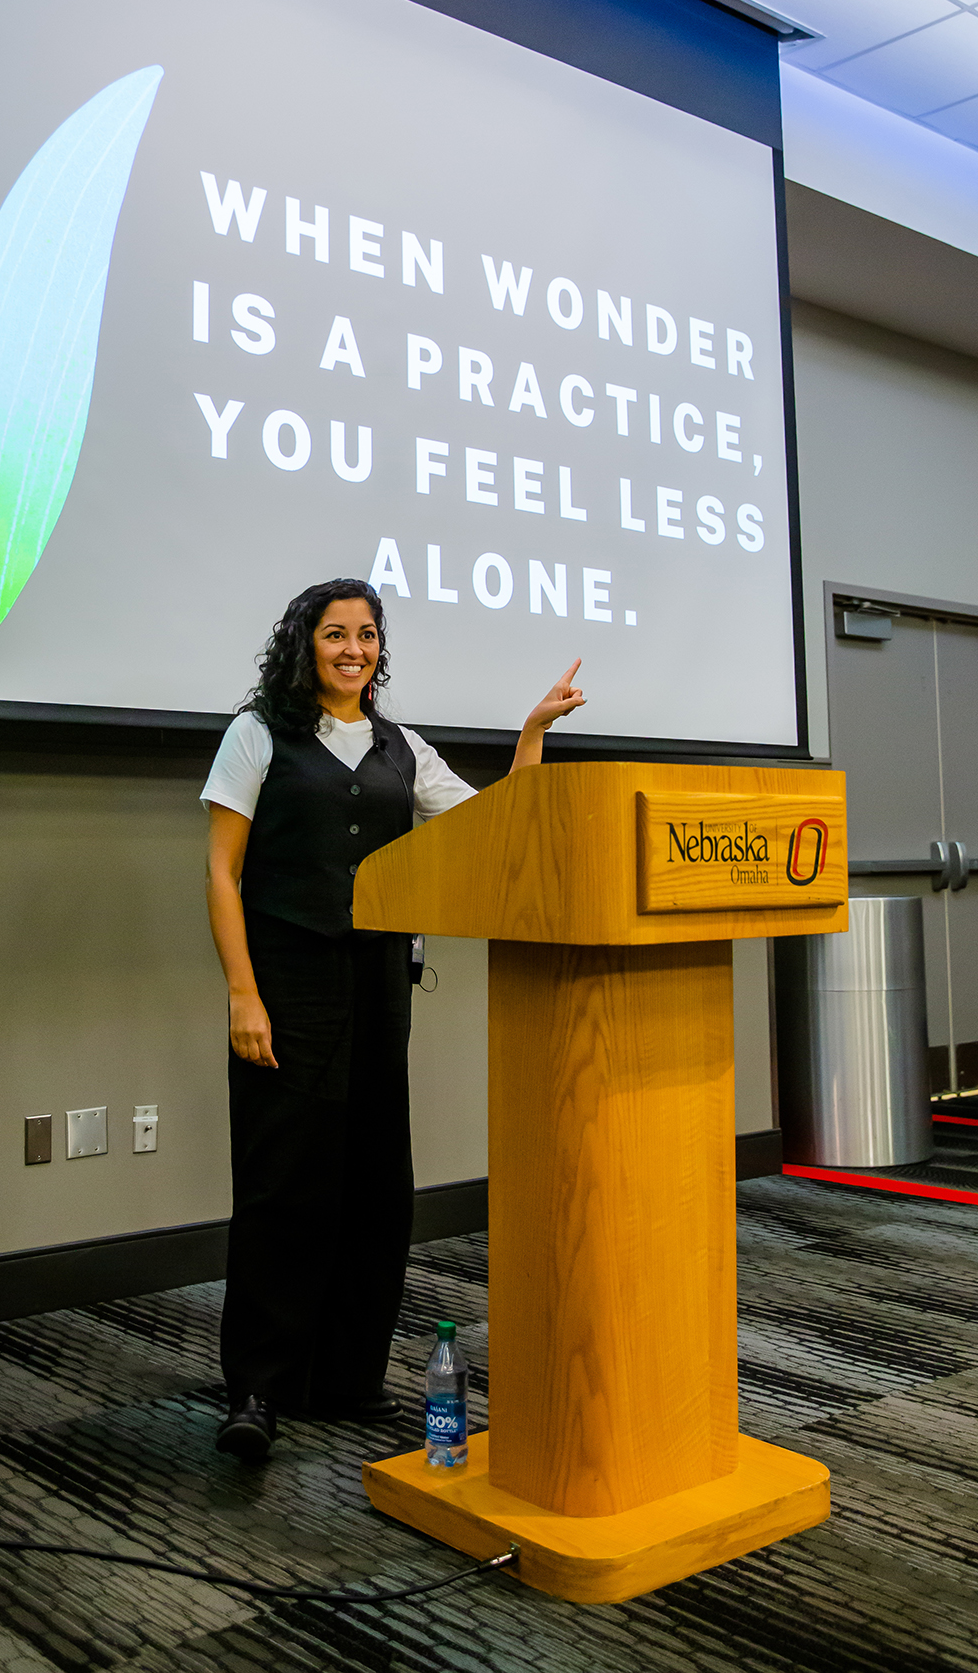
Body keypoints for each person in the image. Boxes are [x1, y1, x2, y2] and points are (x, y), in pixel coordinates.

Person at [201, 577, 585, 1459]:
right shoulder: (256, 734)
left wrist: (531, 735)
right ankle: (258, 1387)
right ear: (305, 644)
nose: (352, 649)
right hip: (286, 986)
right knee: (281, 1187)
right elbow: (223, 874)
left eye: (367, 635)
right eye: (334, 634)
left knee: (374, 1187)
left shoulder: (402, 748)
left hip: (379, 984)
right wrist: (241, 992)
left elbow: (496, 826)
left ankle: (344, 1379)